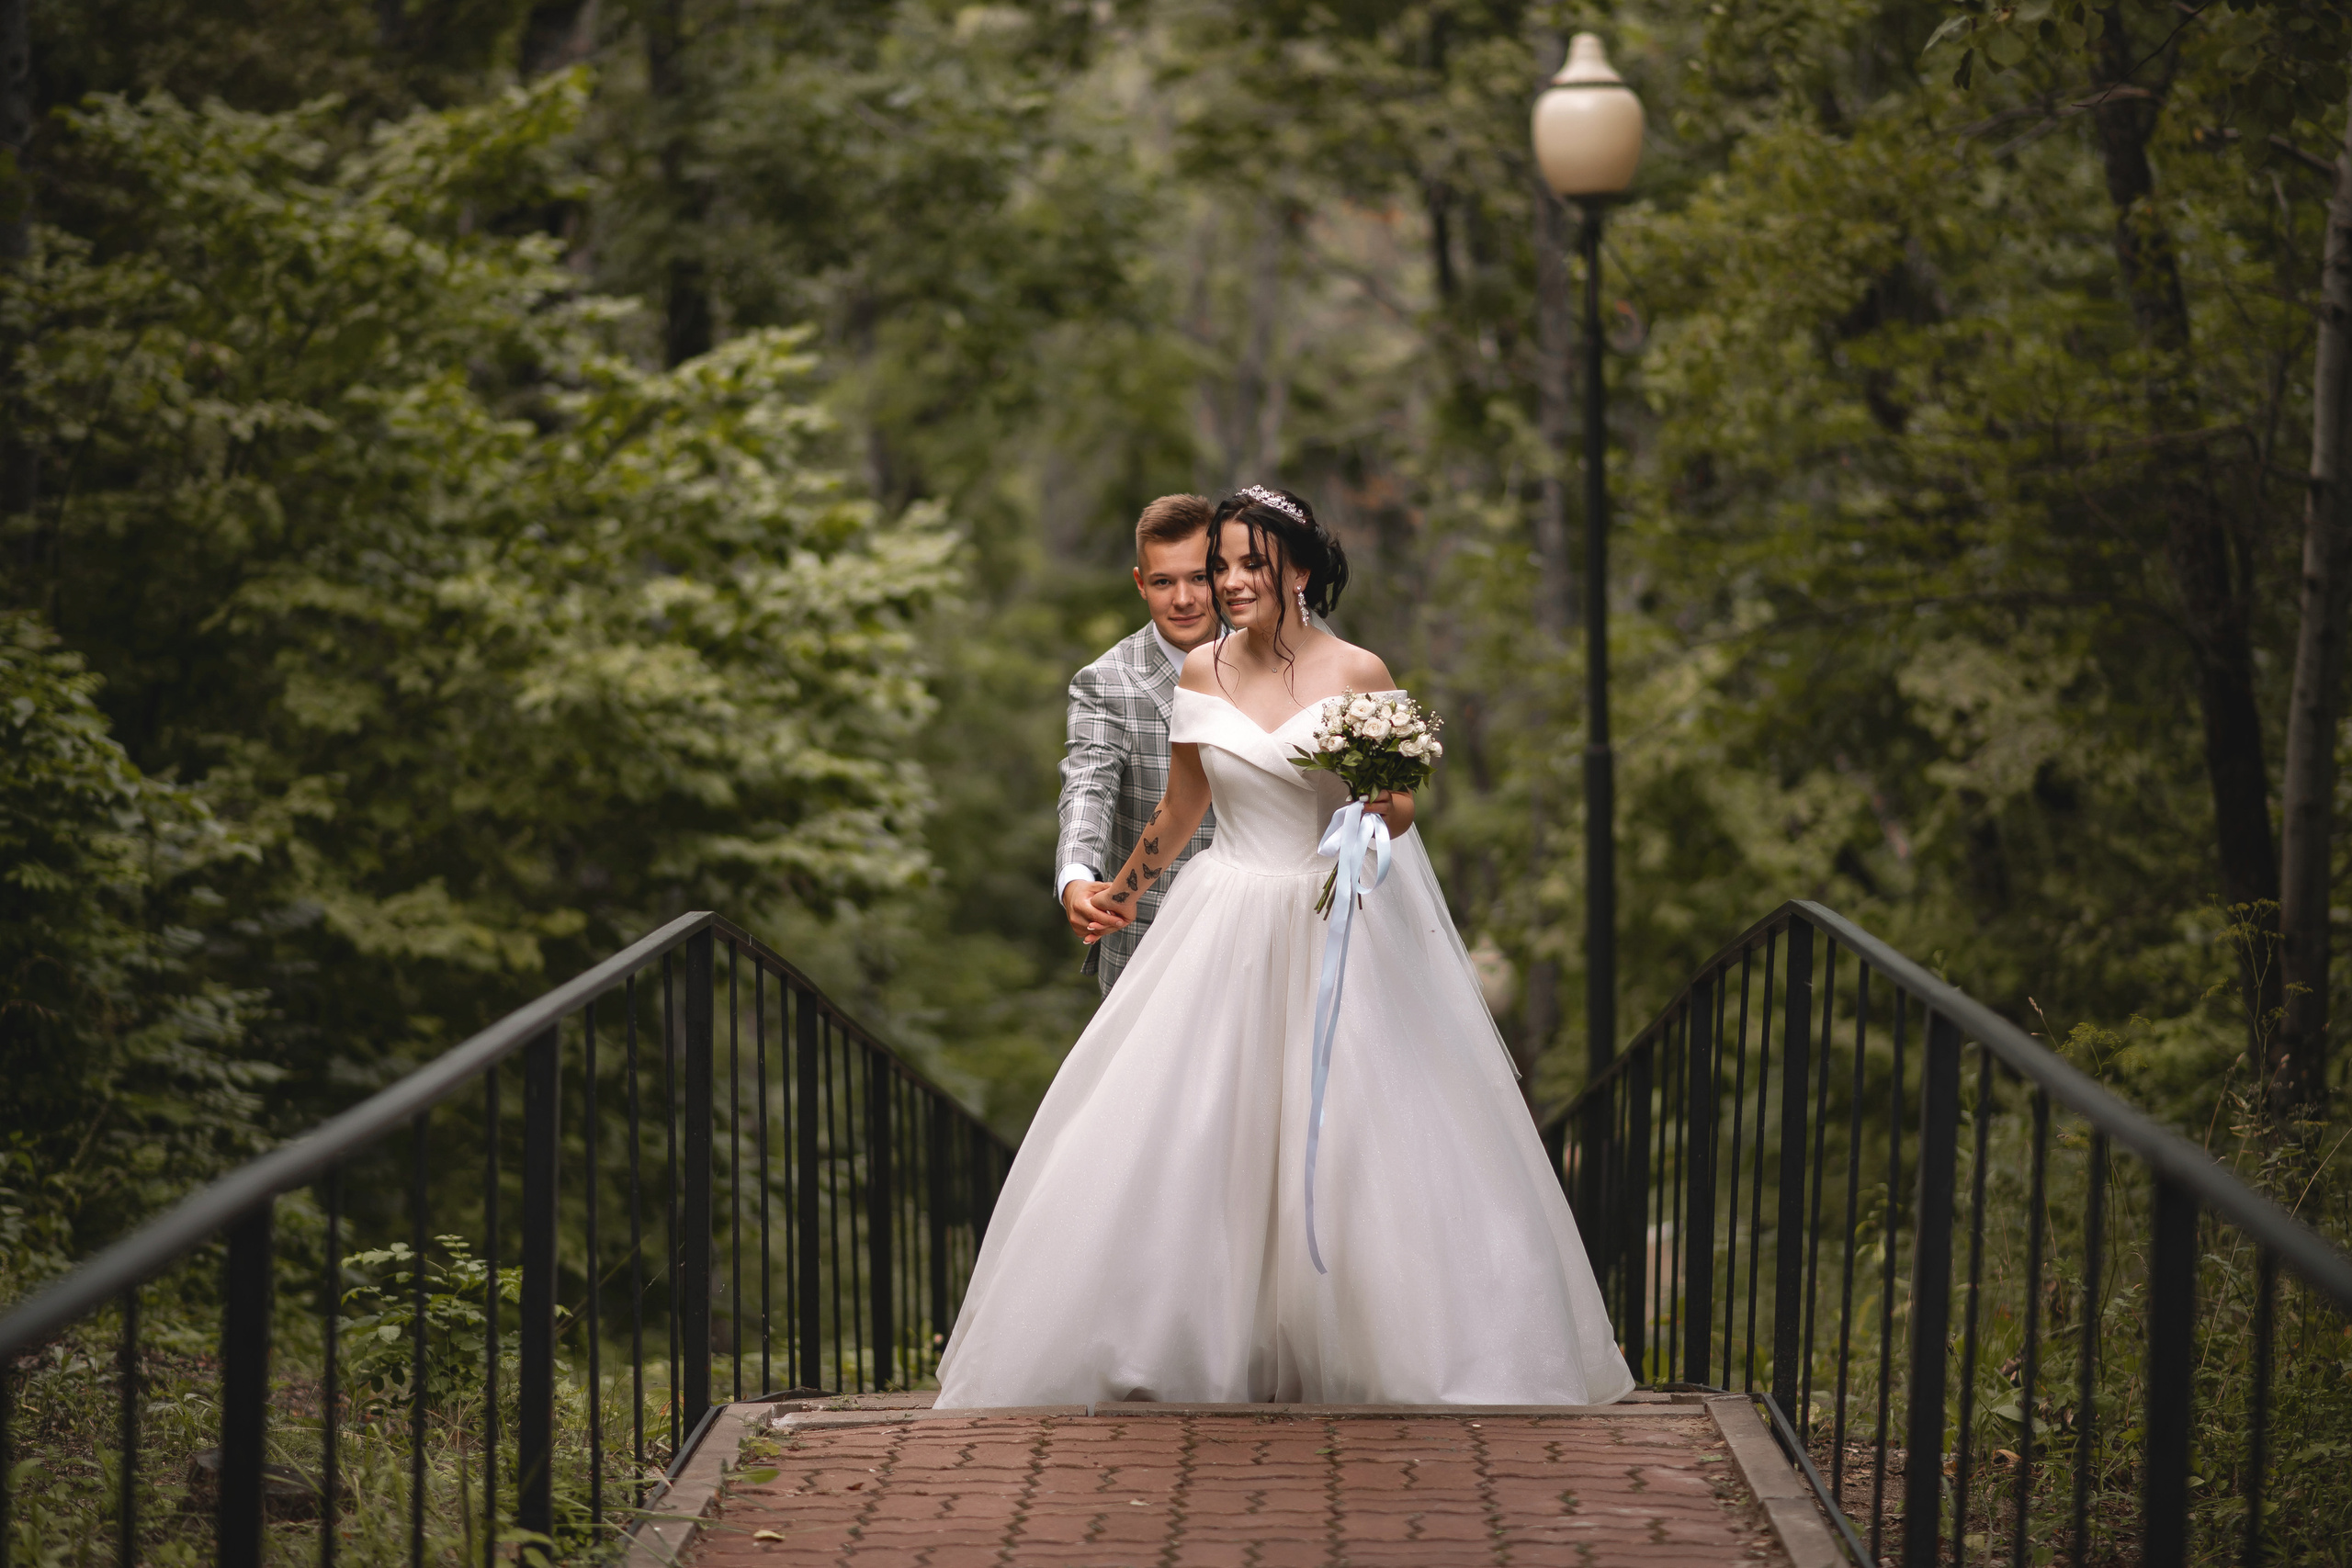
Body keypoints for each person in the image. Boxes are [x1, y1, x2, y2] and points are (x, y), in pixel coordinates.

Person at [936, 485, 1633, 1408]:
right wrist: (1118, 892)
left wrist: (1377, 807)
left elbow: (1400, 810)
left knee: (1355, 1129)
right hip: (1223, 916)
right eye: (1220, 565)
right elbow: (1182, 806)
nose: (1228, 583)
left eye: (1249, 565)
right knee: (1198, 1123)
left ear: (1298, 569)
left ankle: (1382, 1342)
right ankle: (1193, 1338)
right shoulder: (1201, 672)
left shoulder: (1357, 670)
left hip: (1332, 918)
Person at [1054, 495, 1225, 994]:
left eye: (1199, 577)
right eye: (1163, 582)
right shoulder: (1106, 682)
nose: (1183, 599)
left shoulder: (1273, 655)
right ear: (1140, 584)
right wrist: (1076, 876)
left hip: (1270, 933)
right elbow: (1088, 786)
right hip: (1151, 942)